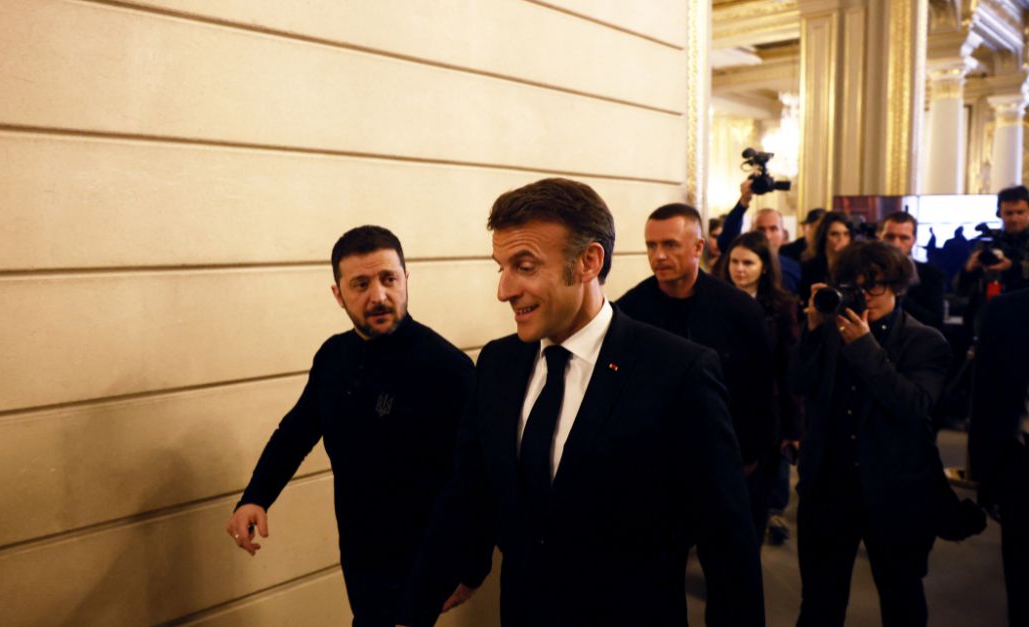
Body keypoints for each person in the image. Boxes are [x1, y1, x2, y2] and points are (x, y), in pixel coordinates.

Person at [401, 179, 764, 627]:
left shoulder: (678, 372)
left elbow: (727, 543)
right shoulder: (498, 363)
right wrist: (416, 605)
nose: (504, 290)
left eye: (525, 266)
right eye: (502, 268)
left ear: (589, 261)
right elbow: (467, 492)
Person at [226, 226, 476, 627]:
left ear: (406, 280)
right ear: (338, 294)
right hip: (360, 555)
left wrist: (471, 568)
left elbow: (477, 476)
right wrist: (255, 497)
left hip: (423, 560)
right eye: (361, 284)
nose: (378, 296)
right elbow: (295, 432)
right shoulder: (333, 356)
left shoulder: (447, 368)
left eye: (389, 279)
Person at [791, 241, 952, 627]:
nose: (864, 296)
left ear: (897, 285)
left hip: (894, 493)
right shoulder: (830, 331)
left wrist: (865, 347)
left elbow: (914, 405)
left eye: (874, 285)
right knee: (819, 604)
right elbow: (798, 384)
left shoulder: (925, 341)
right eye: (855, 286)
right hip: (828, 489)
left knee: (902, 601)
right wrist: (812, 330)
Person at [619, 204, 778, 541]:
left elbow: (761, 387)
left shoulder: (739, 309)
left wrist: (751, 453)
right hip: (659, 461)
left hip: (728, 453)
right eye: (651, 246)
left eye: (670, 245)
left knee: (730, 551)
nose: (659, 256)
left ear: (698, 247)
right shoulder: (631, 310)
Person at [713, 231, 802, 545]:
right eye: (734, 262)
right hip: (720, 407)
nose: (739, 269)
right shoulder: (714, 301)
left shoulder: (782, 307)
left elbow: (788, 370)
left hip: (763, 412)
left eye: (748, 263)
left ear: (764, 267)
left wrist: (793, 428)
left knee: (755, 499)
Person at [968, 287, 1029, 627]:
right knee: (1022, 585)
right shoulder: (1007, 312)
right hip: (1020, 465)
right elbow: (986, 398)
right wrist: (984, 477)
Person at [957, 185, 1029, 327]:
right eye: (1009, 213)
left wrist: (1013, 267)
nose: (1014, 219)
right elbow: (960, 289)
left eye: (1020, 212)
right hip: (991, 318)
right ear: (999, 213)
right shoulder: (988, 243)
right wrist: (969, 271)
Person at [716, 177, 802, 293]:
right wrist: (743, 201)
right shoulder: (739, 257)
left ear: (783, 233)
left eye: (773, 229)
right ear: (751, 231)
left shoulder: (793, 267)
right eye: (760, 229)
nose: (767, 235)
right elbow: (726, 241)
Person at [880, 211, 945, 330]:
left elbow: (934, 322)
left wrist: (896, 294)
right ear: (880, 236)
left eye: (904, 238)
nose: (896, 244)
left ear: (913, 240)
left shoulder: (931, 275)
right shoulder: (862, 272)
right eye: (890, 237)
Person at [799, 210, 853, 304]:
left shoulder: (854, 266)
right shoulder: (809, 268)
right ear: (824, 237)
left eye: (846, 234)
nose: (841, 239)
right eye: (834, 234)